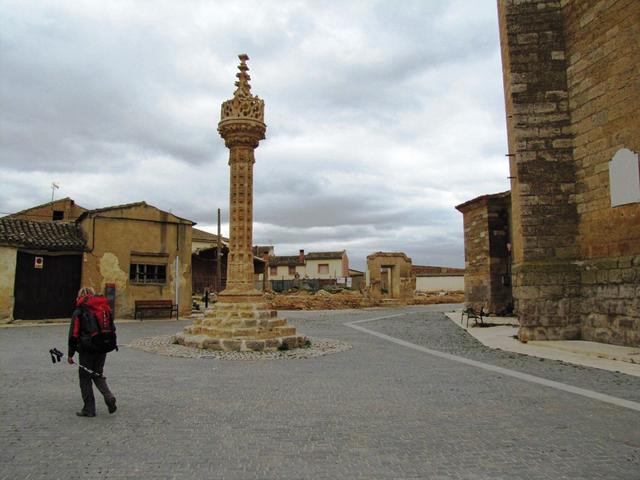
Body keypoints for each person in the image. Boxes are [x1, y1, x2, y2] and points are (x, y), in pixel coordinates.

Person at [68, 287, 117, 417]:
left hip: (86, 349)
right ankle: (109, 396)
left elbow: (73, 334)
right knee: (97, 373)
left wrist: (70, 354)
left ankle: (89, 408)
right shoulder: (103, 308)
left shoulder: (79, 311)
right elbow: (112, 327)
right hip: (102, 347)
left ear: (79, 296)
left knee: (85, 377)